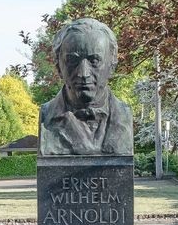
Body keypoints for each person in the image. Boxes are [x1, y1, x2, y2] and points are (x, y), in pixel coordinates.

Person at [38, 18, 133, 156]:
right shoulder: (47, 117)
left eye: (94, 60)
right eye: (72, 60)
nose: (83, 73)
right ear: (58, 66)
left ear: (112, 65)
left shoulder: (124, 115)